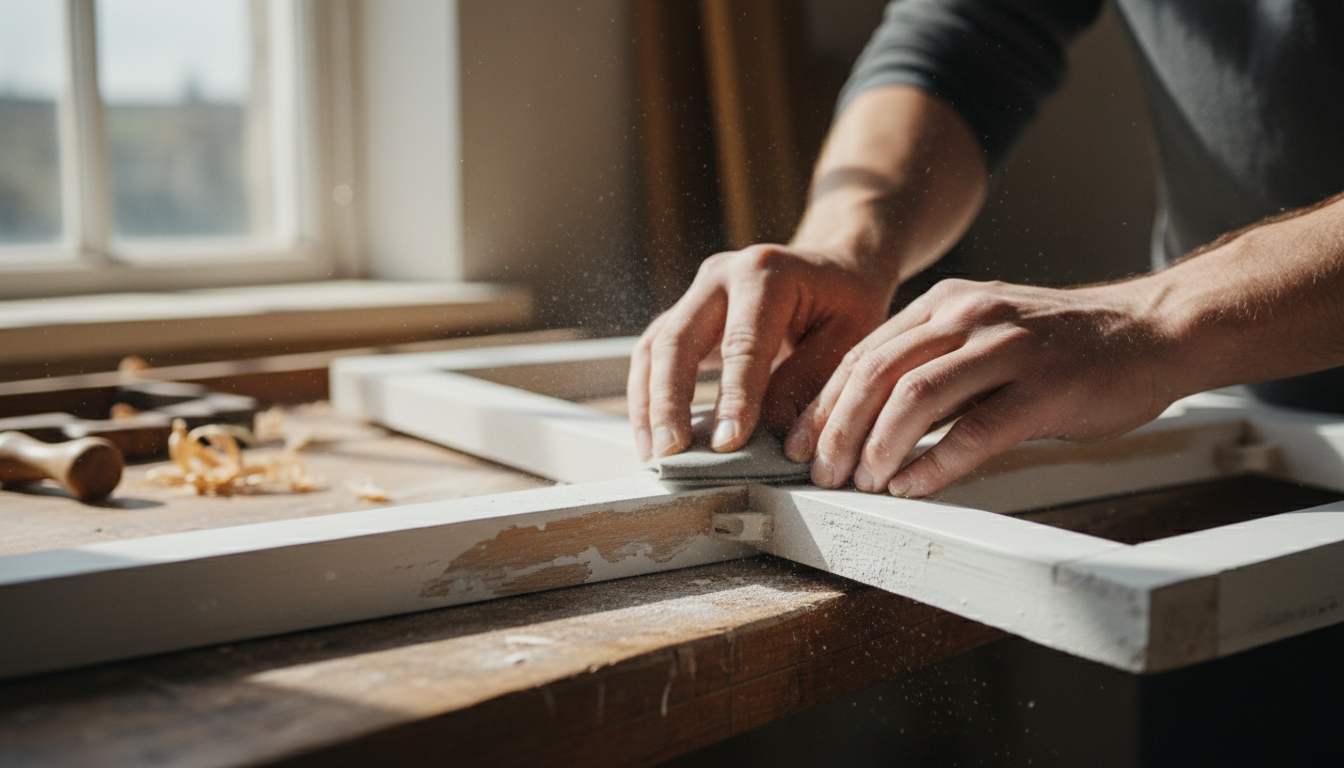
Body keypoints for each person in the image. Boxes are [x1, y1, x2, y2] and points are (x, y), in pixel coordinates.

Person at [626, 0, 1344, 498]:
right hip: (1226, 421)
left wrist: (1157, 321)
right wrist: (852, 244)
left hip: (1206, 375)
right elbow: (967, 36)